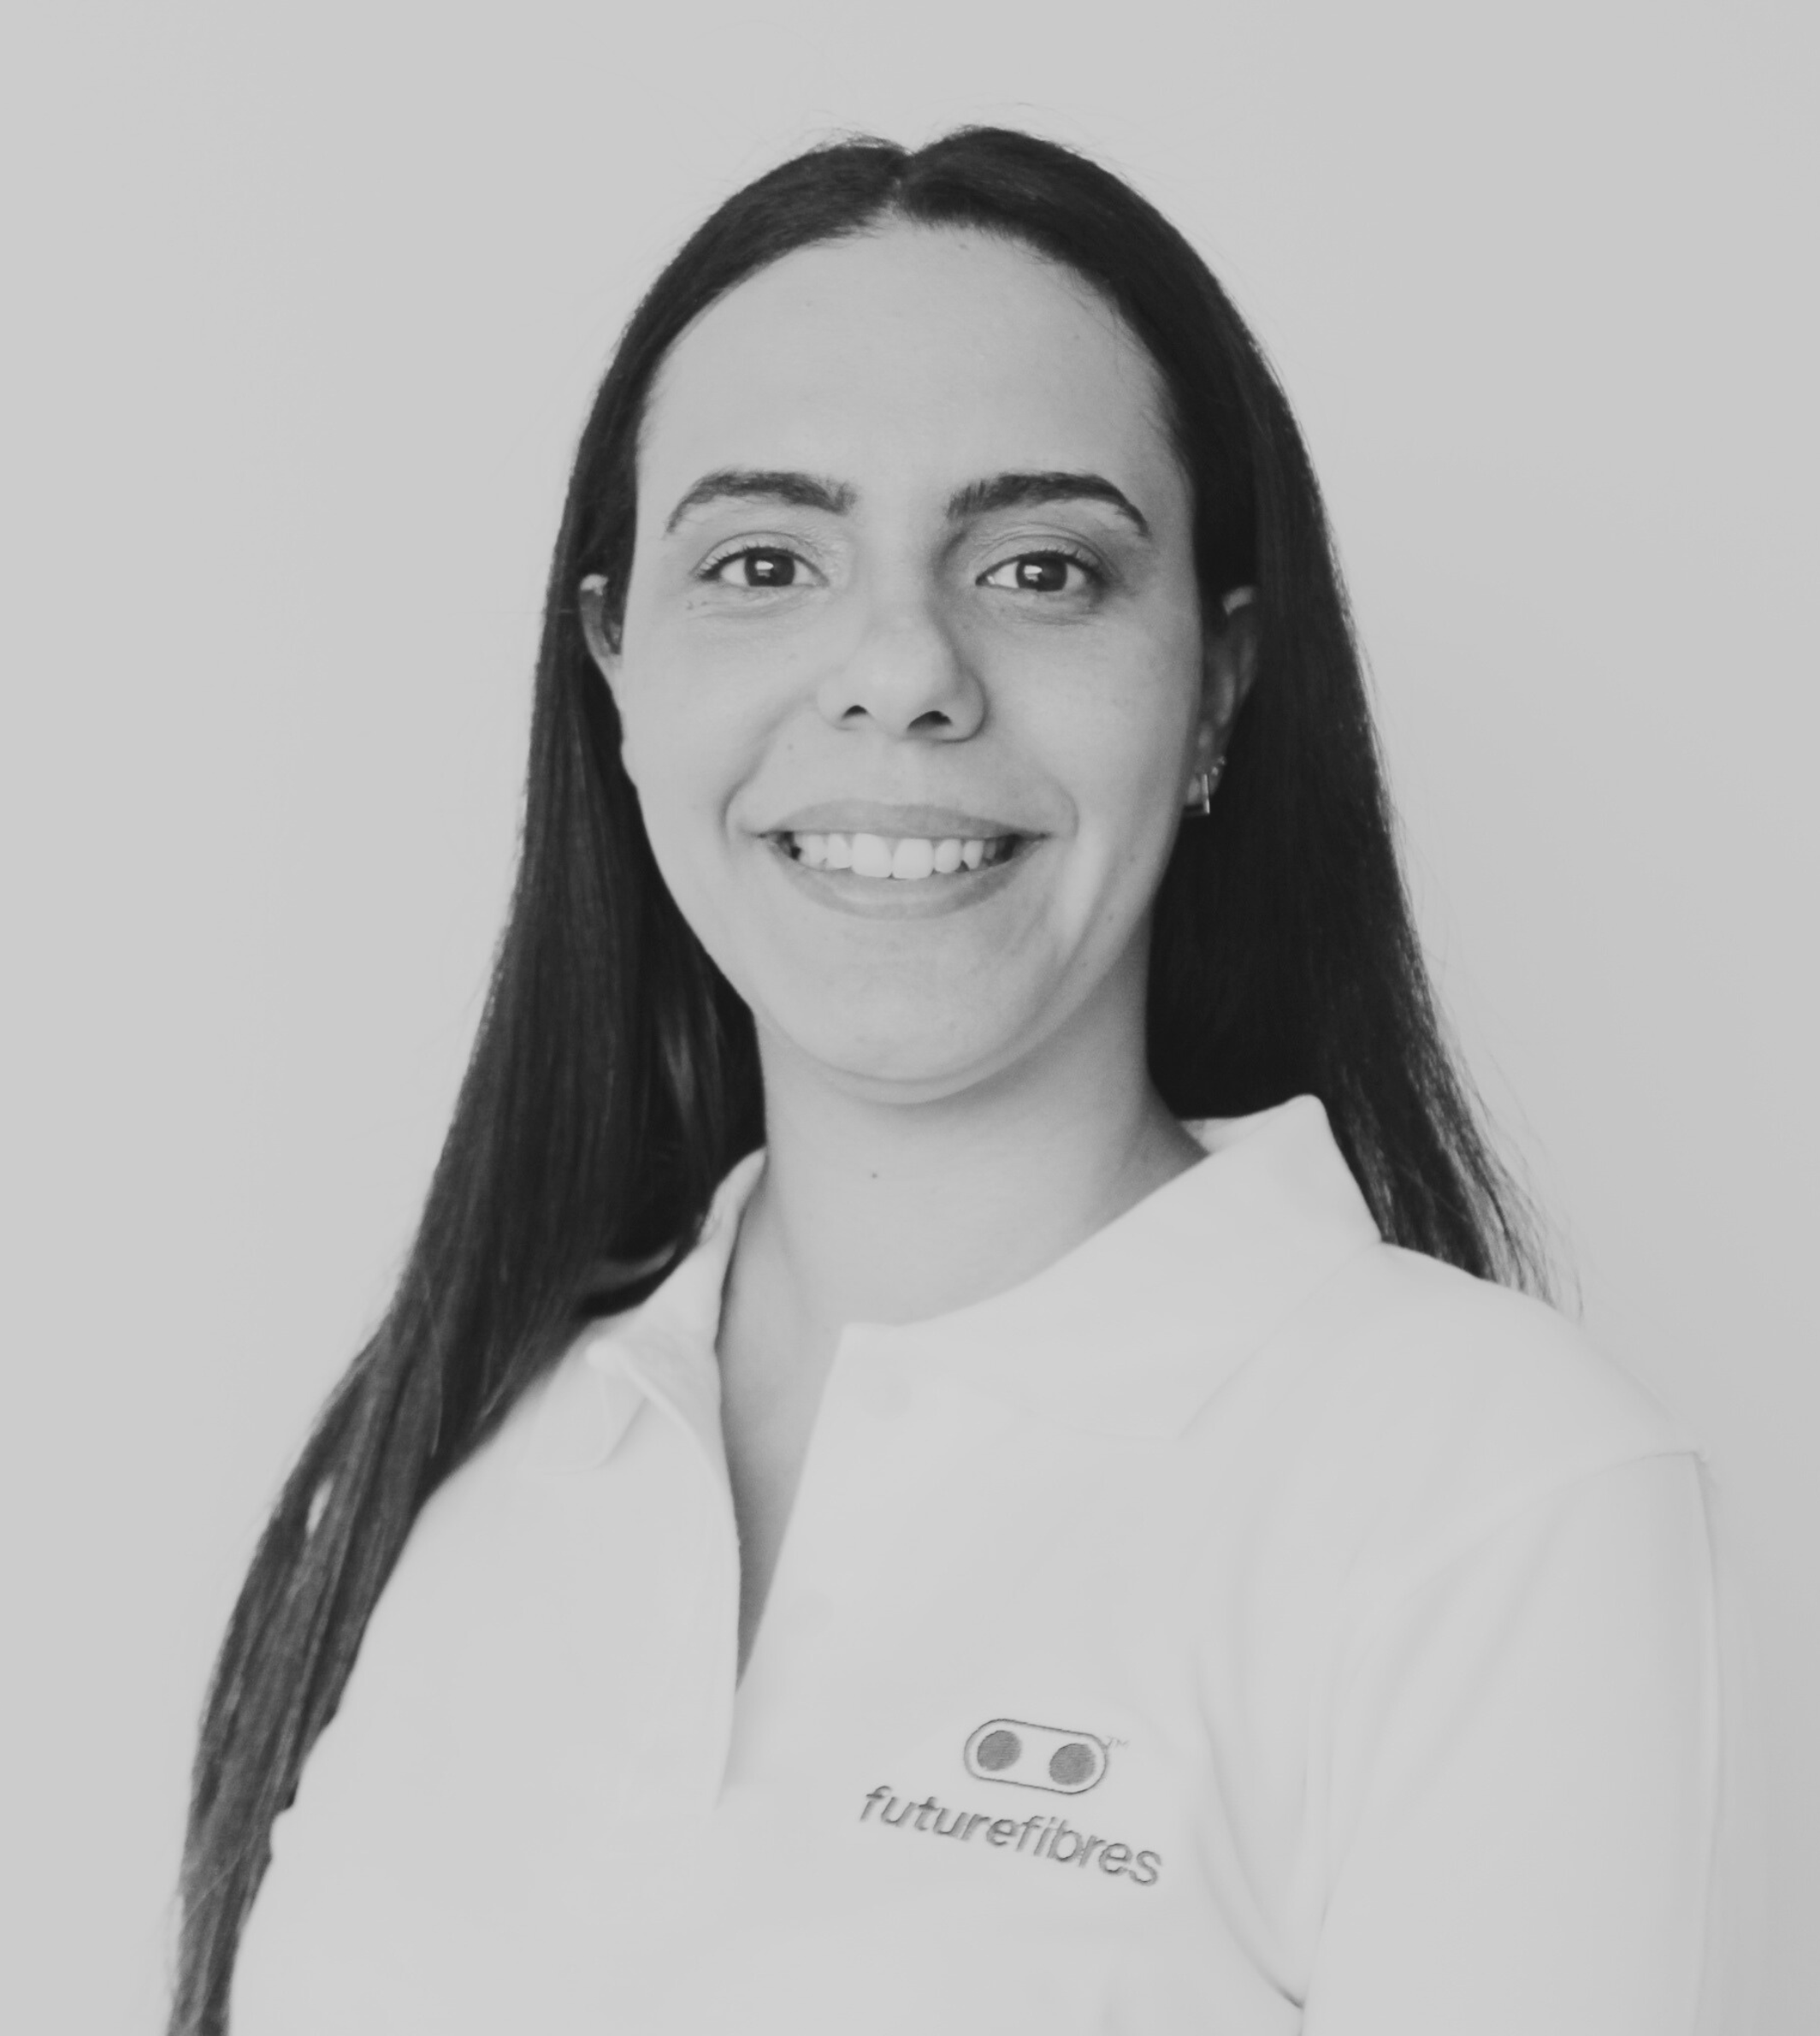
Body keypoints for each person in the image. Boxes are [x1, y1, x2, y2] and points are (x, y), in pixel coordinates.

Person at [174, 128, 1731, 2034]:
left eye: (1040, 568)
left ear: (1218, 685)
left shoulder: (1481, 1495)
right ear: (615, 670)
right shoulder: (435, 1459)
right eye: (764, 562)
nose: (902, 668)